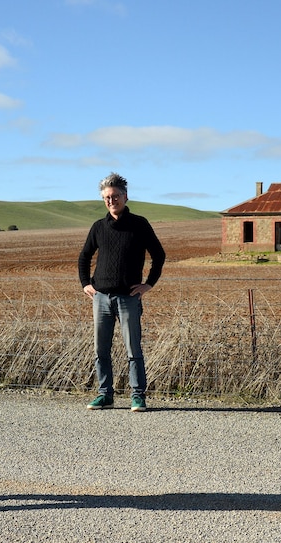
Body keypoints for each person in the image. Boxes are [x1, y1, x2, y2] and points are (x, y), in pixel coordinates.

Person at [78, 172, 165, 412]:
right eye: (107, 197)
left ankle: (138, 396)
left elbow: (159, 255)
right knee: (100, 349)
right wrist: (86, 283)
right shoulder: (98, 227)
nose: (111, 201)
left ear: (125, 197)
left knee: (133, 348)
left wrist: (149, 284)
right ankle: (105, 395)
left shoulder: (139, 224)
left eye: (115, 196)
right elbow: (84, 257)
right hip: (101, 298)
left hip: (129, 297)